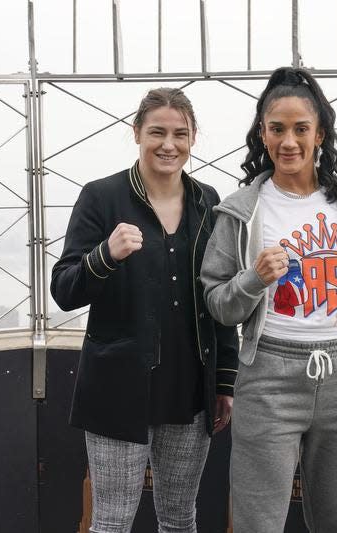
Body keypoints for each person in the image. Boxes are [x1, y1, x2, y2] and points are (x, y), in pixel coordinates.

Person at [200, 67, 337, 532]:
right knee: (258, 523)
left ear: (320, 134)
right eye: (277, 129)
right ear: (262, 134)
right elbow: (217, 302)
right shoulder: (241, 210)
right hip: (267, 379)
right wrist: (253, 279)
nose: (288, 141)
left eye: (300, 129)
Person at [50, 87, 239, 533]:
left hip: (190, 390)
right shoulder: (101, 197)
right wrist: (105, 255)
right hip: (118, 389)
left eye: (180, 134)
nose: (168, 144)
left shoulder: (208, 201)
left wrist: (224, 380)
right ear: (136, 133)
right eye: (156, 132)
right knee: (112, 521)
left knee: (179, 518)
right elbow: (63, 289)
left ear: (193, 139)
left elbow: (221, 298)